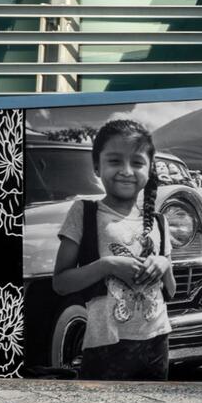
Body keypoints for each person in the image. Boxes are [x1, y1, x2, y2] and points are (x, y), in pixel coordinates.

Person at [51, 118, 174, 380]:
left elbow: (171, 290)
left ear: (150, 168)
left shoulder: (160, 221)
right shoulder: (84, 212)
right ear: (97, 166)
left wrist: (164, 264)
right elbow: (60, 283)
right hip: (105, 345)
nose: (127, 171)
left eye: (137, 162)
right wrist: (107, 265)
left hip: (157, 342)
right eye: (115, 161)